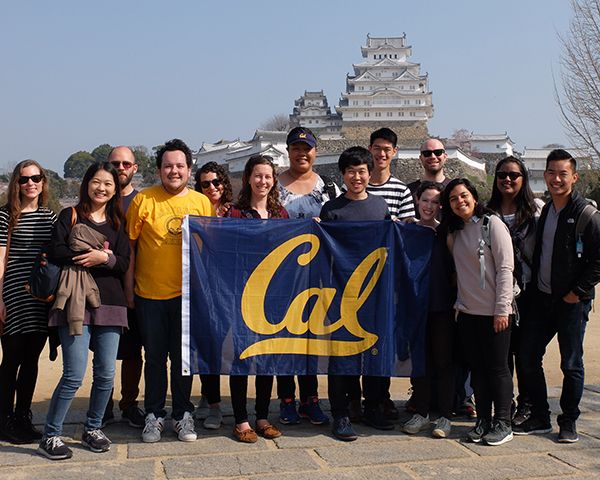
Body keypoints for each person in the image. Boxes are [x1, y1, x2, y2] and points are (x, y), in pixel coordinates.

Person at [38, 162, 130, 460]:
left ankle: (93, 427)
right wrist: (87, 255)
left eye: (108, 184)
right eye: (96, 182)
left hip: (111, 303)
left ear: (115, 189)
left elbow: (125, 262)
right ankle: (51, 434)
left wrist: (104, 257)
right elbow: (55, 250)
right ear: (87, 183)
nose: (101, 188)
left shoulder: (118, 222)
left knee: (105, 374)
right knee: (74, 374)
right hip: (75, 301)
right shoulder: (70, 215)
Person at [125, 139, 214, 443]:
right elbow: (131, 248)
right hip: (149, 294)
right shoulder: (144, 200)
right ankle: (153, 414)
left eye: (179, 165)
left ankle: (182, 414)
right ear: (159, 169)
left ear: (189, 169)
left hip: (187, 297)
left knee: (183, 360)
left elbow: (209, 249)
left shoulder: (202, 202)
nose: (173, 171)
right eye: (167, 166)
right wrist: (129, 289)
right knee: (153, 358)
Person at [514, 149, 600, 443]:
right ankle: (540, 414)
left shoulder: (587, 214)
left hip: (572, 303)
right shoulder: (546, 210)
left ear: (574, 177)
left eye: (563, 173)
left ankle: (568, 420)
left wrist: (578, 292)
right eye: (551, 173)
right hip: (543, 298)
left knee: (571, 363)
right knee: (527, 355)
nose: (556, 179)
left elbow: (598, 258)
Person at [319, 146, 391, 441]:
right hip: (339, 292)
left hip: (374, 292)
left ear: (369, 173)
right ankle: (341, 413)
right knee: (340, 357)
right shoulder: (332, 210)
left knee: (375, 352)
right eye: (351, 171)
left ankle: (373, 407)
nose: (357, 176)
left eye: (362, 171)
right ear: (343, 175)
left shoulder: (380, 207)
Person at [441, 178, 514, 446]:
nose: (460, 202)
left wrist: (502, 309)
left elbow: (506, 269)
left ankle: (503, 422)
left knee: (498, 369)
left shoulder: (492, 224)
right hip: (468, 314)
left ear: (473, 196)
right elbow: (460, 273)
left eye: (463, 196)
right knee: (478, 370)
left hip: (496, 313)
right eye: (453, 199)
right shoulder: (454, 232)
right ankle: (483, 420)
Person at [275, 127, 338, 426]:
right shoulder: (272, 186)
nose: (302, 153)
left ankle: (310, 399)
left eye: (307, 148)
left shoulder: (328, 188)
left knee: (311, 341)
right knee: (284, 340)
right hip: (281, 276)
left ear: (315, 151)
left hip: (316, 276)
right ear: (288, 151)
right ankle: (286, 399)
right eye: (296, 148)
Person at [224, 154, 286, 443]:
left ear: (273, 181)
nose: (263, 181)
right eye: (258, 175)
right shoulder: (234, 214)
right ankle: (241, 420)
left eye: (268, 176)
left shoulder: (280, 214)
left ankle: (262, 416)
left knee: (267, 360)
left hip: (273, 298)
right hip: (240, 296)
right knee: (241, 359)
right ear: (248, 178)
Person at [0, 161, 56, 444]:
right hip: (12, 291)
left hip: (40, 295)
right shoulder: (5, 216)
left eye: (36, 178)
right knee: (11, 358)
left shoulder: (50, 217)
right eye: (24, 179)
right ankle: (3, 419)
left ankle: (23, 416)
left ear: (43, 182)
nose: (30, 184)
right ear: (16, 184)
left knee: (32, 360)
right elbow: (0, 260)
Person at [487, 156, 544, 426]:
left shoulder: (537, 212)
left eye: (514, 175)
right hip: (496, 295)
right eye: (502, 174)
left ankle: (527, 405)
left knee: (526, 353)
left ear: (523, 179)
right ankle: (504, 403)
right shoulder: (487, 213)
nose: (507, 180)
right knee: (502, 354)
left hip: (529, 295)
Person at [365, 127, 415, 421]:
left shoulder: (401, 190)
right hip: (359, 275)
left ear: (394, 153)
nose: (381, 154)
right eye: (377, 148)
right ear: (370, 149)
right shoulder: (358, 185)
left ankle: (380, 396)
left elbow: (409, 232)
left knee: (381, 339)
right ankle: (361, 398)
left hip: (389, 277)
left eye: (387, 150)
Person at [402, 182, 457, 438]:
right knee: (420, 361)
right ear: (416, 200)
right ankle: (421, 411)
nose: (429, 206)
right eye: (425, 200)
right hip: (414, 306)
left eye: (435, 202)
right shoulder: (407, 231)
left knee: (444, 360)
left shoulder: (445, 233)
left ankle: (445, 416)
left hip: (441, 306)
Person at [100, 146, 145, 429]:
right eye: (115, 163)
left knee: (132, 351)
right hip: (104, 286)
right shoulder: (100, 198)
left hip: (138, 287)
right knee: (102, 351)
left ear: (134, 168)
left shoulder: (142, 201)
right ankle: (102, 405)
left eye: (126, 163)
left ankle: (129, 403)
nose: (120, 168)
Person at [191, 161, 230, 429]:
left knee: (218, 346)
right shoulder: (194, 211)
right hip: (199, 286)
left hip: (226, 287)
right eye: (206, 183)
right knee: (205, 345)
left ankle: (210, 398)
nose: (212, 187)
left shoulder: (234, 213)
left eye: (216, 182)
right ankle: (211, 402)